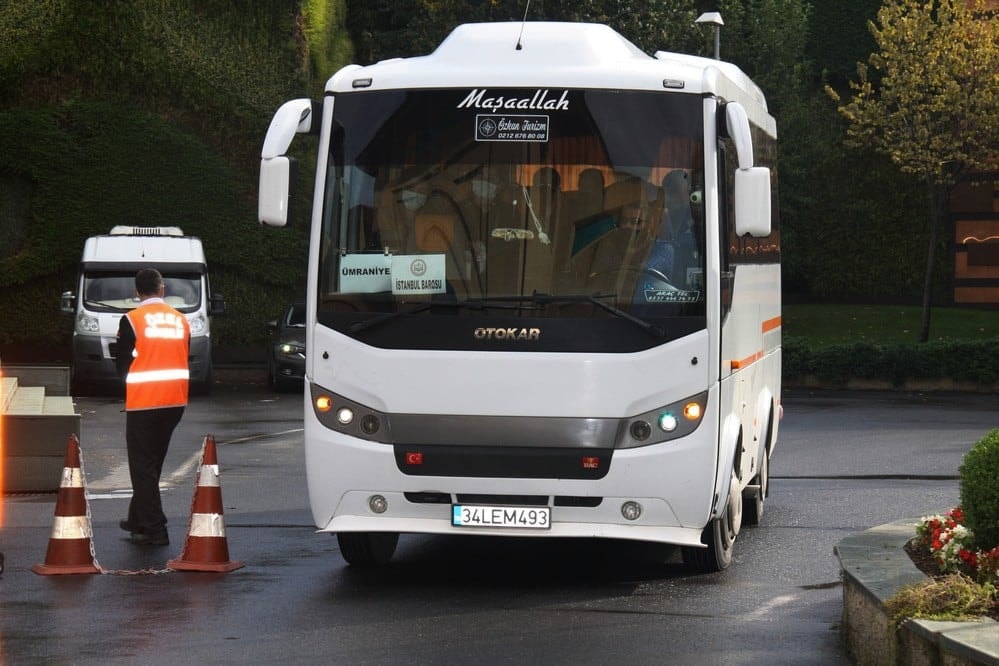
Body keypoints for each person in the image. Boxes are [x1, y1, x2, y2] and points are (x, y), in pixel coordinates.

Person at [116, 268, 191, 546]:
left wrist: (129, 383)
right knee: (151, 463)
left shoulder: (132, 319)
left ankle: (155, 527)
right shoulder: (181, 320)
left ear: (137, 292)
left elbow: (122, 361)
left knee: (142, 464)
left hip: (145, 400)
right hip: (175, 400)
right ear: (162, 289)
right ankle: (138, 518)